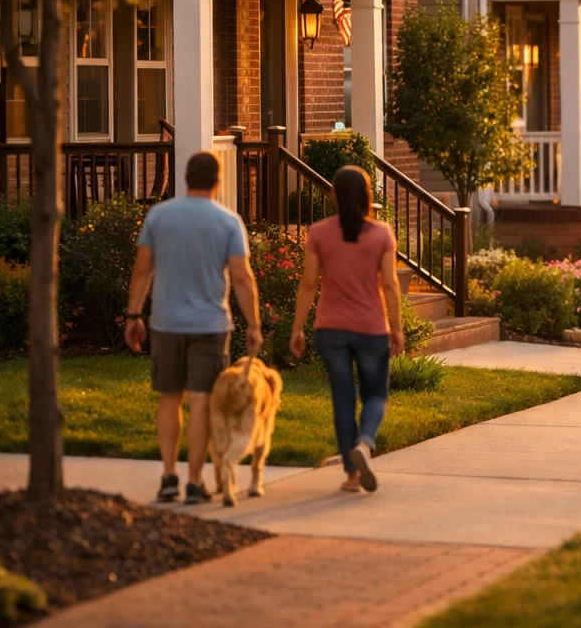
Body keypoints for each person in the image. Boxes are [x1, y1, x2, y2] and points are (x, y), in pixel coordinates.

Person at [125, 151, 262, 504]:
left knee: (170, 398)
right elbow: (243, 279)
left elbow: (142, 271)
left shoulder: (159, 216)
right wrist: (254, 324)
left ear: (185, 179)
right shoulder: (229, 222)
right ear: (218, 181)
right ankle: (194, 482)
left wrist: (133, 315)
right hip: (211, 326)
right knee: (201, 402)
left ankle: (168, 476)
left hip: (166, 322)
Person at [289, 165, 404, 493]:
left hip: (331, 329)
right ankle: (365, 443)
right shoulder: (381, 233)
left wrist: (296, 329)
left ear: (333, 196)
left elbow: (308, 284)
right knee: (376, 395)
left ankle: (352, 475)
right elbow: (390, 284)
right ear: (368, 197)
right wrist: (396, 327)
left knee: (343, 399)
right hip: (371, 328)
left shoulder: (319, 233)